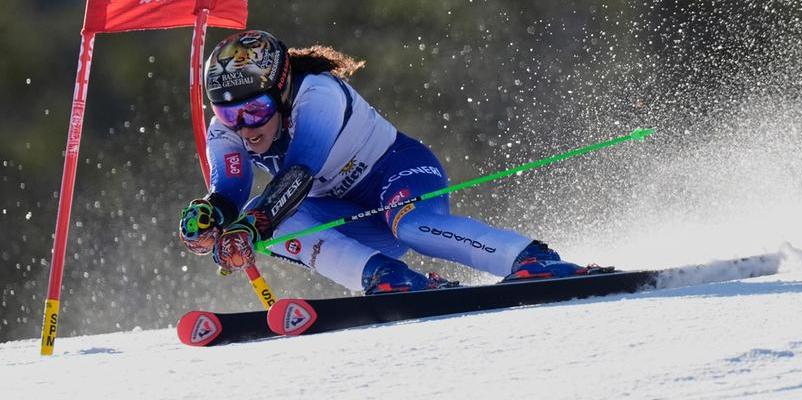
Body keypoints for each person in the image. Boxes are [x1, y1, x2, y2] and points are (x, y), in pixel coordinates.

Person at [177, 29, 595, 295]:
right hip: (348, 212)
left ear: (281, 89)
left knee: (408, 224)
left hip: (398, 174)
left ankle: (529, 257)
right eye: (229, 115)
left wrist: (254, 224)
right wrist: (211, 217)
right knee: (257, 217)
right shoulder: (226, 129)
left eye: (255, 110)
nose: (245, 127)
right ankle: (385, 277)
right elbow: (230, 191)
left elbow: (300, 171)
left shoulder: (318, 94)